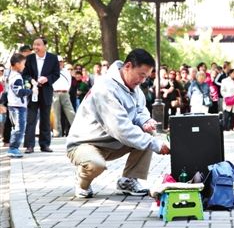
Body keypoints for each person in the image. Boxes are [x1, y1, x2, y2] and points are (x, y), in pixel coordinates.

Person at [66, 48, 170, 198]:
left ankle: (128, 180)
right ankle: (82, 181)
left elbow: (140, 109)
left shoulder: (135, 87)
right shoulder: (105, 89)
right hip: (85, 144)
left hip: (113, 142)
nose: (142, 81)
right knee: (96, 165)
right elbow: (120, 128)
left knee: (147, 133)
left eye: (146, 77)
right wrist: (157, 145)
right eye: (141, 75)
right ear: (127, 66)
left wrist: (145, 120)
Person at [23, 37, 60, 153]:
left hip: (46, 91)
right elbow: (25, 74)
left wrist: (47, 79)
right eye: (34, 45)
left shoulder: (53, 58)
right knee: (31, 119)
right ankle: (29, 145)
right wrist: (31, 81)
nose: (36, 47)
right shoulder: (29, 58)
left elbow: (56, 74)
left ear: (45, 46)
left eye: (38, 45)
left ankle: (45, 145)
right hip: (33, 91)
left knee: (45, 119)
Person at [6, 54, 33, 157]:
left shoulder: (12, 75)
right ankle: (13, 148)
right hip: (17, 106)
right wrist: (30, 91)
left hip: (13, 105)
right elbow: (18, 92)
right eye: (23, 64)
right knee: (19, 128)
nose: (24, 66)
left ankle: (13, 148)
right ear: (17, 64)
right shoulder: (16, 76)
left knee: (16, 127)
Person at [51, 56, 75, 137]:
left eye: (61, 61)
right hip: (55, 93)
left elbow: (69, 82)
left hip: (65, 93)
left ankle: (77, 130)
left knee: (71, 112)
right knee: (56, 115)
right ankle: (57, 133)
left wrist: (66, 90)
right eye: (58, 61)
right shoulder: (52, 71)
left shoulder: (66, 71)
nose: (60, 63)